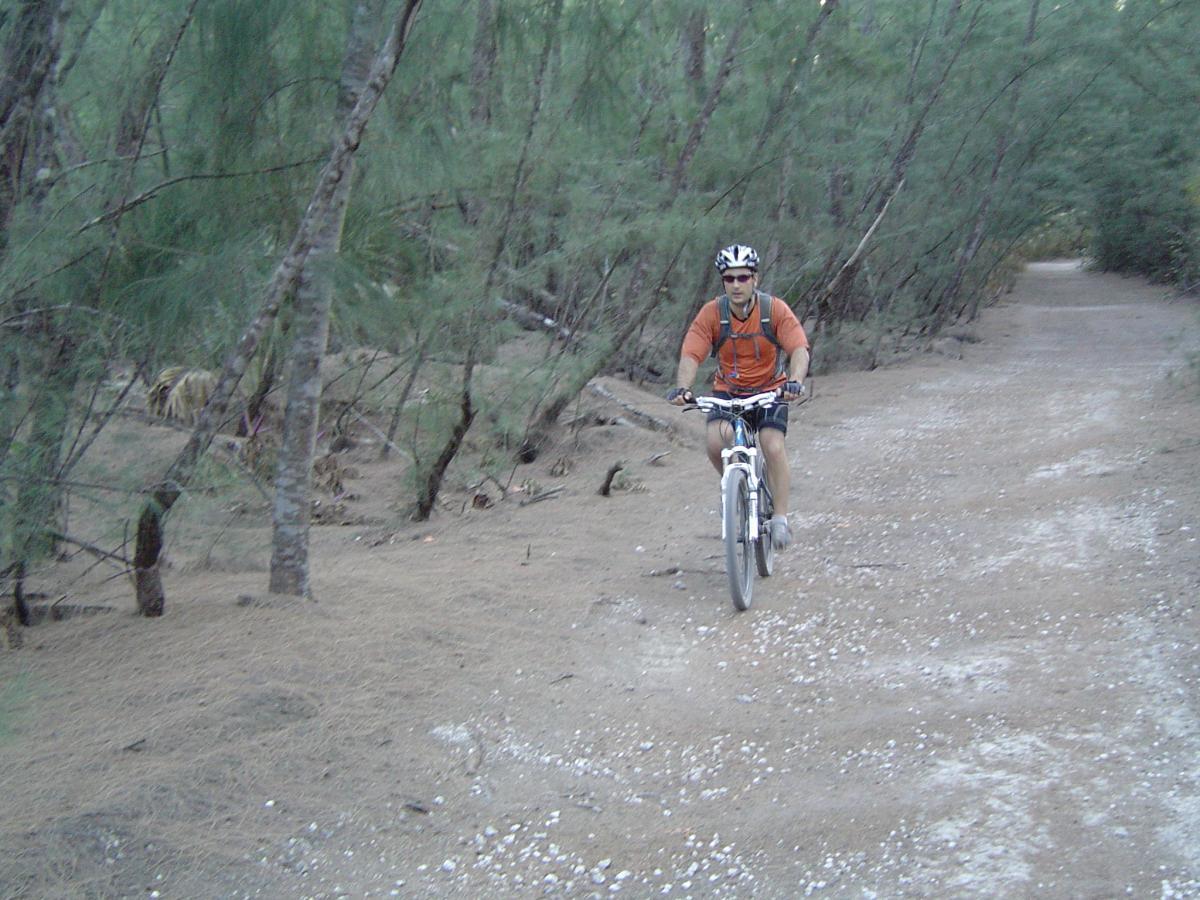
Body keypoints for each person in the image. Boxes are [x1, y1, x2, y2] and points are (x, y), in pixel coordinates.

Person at [667, 244, 809, 549]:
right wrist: (683, 387)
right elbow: (692, 352)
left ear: (755, 279)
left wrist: (795, 382)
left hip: (771, 390)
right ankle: (735, 489)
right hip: (728, 393)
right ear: (723, 282)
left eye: (743, 277)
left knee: (772, 444)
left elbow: (798, 348)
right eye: (729, 279)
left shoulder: (774, 310)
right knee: (716, 443)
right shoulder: (712, 314)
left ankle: (781, 517)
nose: (736, 284)